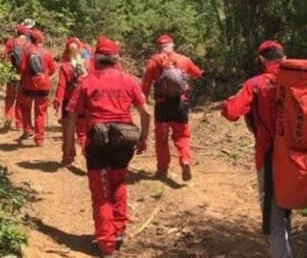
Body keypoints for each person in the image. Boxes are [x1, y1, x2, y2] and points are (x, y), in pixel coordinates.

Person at [220, 41, 307, 258]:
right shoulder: (300, 84)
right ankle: (280, 250)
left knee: (274, 216)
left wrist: (228, 102)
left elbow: (231, 112)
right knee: (284, 207)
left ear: (261, 60)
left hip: (269, 156)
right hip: (296, 155)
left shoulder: (255, 83)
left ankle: (280, 254)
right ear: (285, 57)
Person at [64, 37, 151, 257]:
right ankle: (118, 231)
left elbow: (72, 115)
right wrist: (143, 140)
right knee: (118, 183)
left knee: (101, 193)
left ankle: (106, 242)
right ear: (115, 59)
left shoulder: (87, 81)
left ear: (96, 58)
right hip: (124, 141)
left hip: (98, 141)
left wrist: (69, 146)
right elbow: (146, 113)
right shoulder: (129, 80)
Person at [141, 34, 203, 181]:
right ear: (172, 46)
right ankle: (185, 160)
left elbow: (145, 85)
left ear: (158, 48)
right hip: (180, 104)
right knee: (182, 135)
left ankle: (162, 170)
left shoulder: (153, 62)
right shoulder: (183, 59)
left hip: (162, 105)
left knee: (161, 139)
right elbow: (197, 74)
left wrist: (142, 103)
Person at [54, 37, 94, 162]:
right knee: (82, 132)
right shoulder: (87, 64)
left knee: (68, 131)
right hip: (84, 102)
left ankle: (68, 156)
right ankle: (87, 153)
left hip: (69, 102)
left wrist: (57, 101)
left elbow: (61, 86)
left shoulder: (65, 66)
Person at [17, 29, 56, 146]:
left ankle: (28, 129)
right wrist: (44, 75)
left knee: (25, 108)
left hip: (28, 86)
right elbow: (52, 69)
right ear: (40, 39)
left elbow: (21, 69)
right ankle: (39, 139)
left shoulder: (26, 52)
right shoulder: (47, 53)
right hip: (43, 86)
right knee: (40, 113)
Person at [1, 23, 31, 129]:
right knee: (20, 99)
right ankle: (19, 123)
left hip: (12, 73)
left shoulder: (11, 42)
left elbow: (3, 56)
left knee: (10, 97)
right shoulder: (29, 44)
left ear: (17, 32)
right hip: (24, 75)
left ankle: (8, 118)